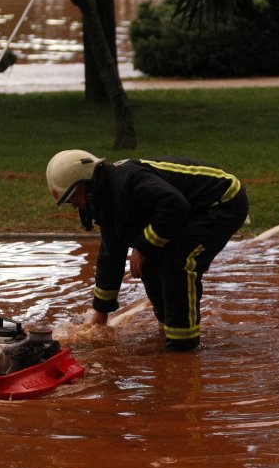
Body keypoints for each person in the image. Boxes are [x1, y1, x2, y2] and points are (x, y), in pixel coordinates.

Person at [46, 150, 249, 352]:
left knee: (178, 263)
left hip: (223, 201)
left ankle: (183, 348)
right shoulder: (105, 199)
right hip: (192, 208)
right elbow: (111, 256)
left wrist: (143, 246)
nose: (74, 205)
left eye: (73, 197)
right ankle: (169, 329)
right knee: (150, 264)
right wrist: (101, 312)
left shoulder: (129, 180)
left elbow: (174, 205)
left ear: (85, 181)